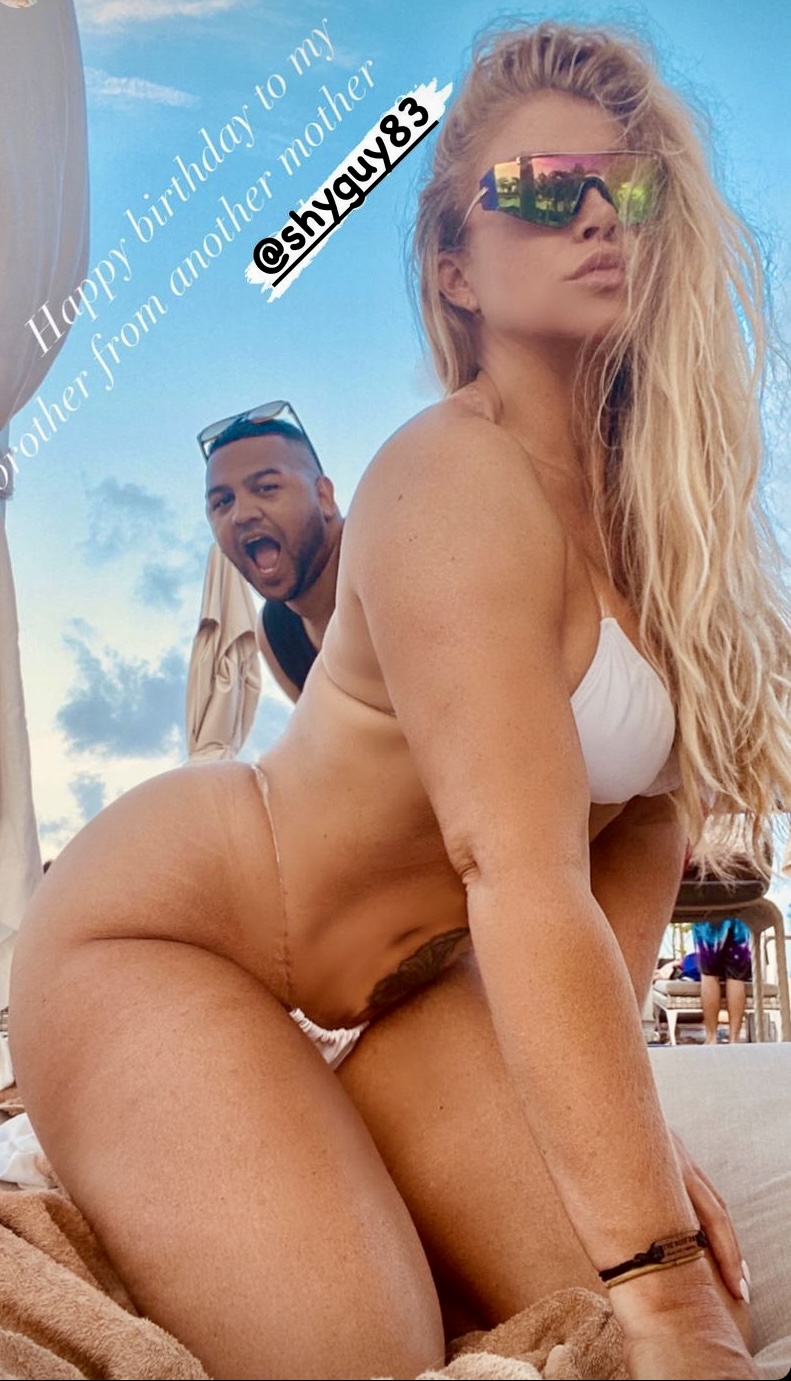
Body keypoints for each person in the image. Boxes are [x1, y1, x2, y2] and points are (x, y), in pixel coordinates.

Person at [8, 20, 791, 1381]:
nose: (594, 216)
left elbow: (629, 845)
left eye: (628, 187)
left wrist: (624, 1145)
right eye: (539, 189)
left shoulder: (669, 532)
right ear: (451, 267)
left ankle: (345, 1115)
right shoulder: (443, 477)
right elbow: (514, 864)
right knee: (358, 1349)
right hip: (160, 941)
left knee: (584, 1277)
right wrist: (663, 1286)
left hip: (411, 994)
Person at [200, 403, 344, 701]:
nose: (242, 515)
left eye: (266, 487)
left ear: (324, 497)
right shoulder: (277, 634)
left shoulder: (388, 554)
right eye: (223, 502)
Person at [692, 916, 753, 1043]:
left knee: (709, 974)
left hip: (707, 913)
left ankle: (711, 1037)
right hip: (740, 912)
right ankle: (734, 1038)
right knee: (737, 977)